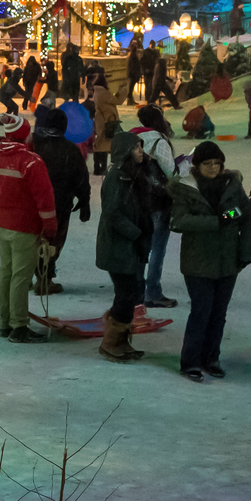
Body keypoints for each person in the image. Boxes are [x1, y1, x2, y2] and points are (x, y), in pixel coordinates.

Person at [169, 141, 251, 382]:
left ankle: (211, 358)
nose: (213, 167)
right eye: (207, 163)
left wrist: (246, 250)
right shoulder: (186, 189)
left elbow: (242, 214)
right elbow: (178, 221)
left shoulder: (232, 185)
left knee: (219, 313)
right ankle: (191, 361)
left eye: (217, 163)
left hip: (228, 260)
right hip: (198, 261)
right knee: (201, 311)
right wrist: (215, 222)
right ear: (197, 165)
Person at [93, 132, 165, 363]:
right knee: (126, 293)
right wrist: (135, 232)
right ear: (124, 151)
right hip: (119, 246)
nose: (140, 151)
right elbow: (112, 212)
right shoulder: (117, 177)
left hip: (132, 246)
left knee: (130, 293)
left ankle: (121, 340)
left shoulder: (136, 175)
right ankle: (112, 341)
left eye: (141, 147)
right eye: (136, 148)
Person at [0, 114, 58, 343]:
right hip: (24, 227)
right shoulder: (31, 161)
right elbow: (44, 199)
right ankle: (19, 326)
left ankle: (5, 321)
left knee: (6, 272)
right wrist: (50, 229)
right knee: (20, 276)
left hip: (3, 224)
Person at [31, 106, 90, 295]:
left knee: (34, 240)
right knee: (53, 242)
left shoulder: (34, 145)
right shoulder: (70, 150)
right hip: (60, 204)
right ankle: (45, 280)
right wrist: (84, 201)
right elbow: (81, 178)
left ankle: (33, 276)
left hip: (34, 202)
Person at [132, 105, 179, 309]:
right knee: (157, 247)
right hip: (158, 201)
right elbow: (170, 172)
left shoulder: (132, 138)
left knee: (141, 246)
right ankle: (153, 292)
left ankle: (136, 291)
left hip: (136, 199)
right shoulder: (159, 140)